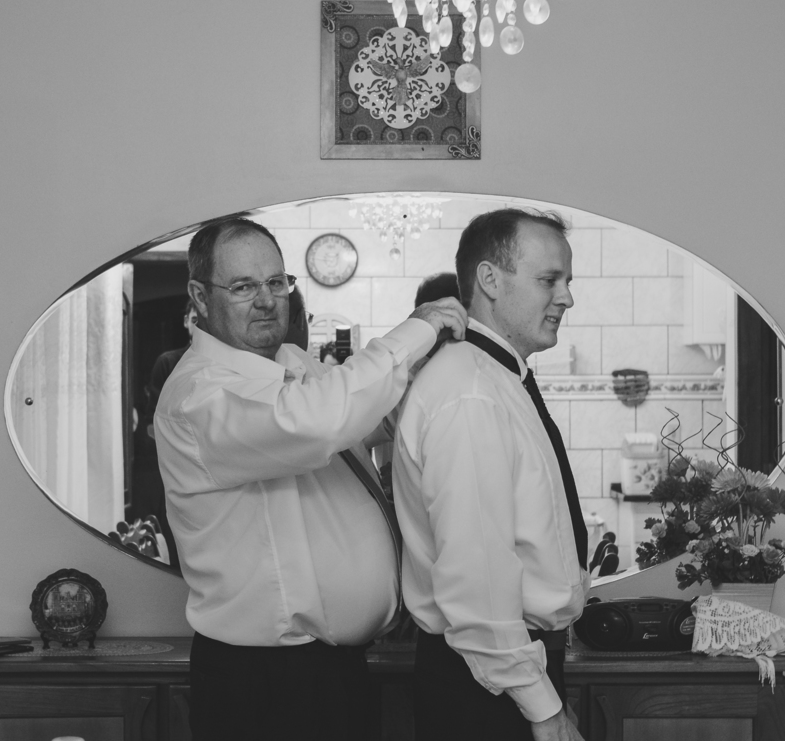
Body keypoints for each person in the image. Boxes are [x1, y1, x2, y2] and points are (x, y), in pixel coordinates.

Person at [153, 217, 467, 741]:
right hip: (263, 684)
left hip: (335, 674)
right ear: (200, 297)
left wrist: (431, 385)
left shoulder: (293, 364)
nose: (266, 301)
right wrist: (416, 331)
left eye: (276, 282)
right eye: (243, 286)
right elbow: (318, 424)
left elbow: (361, 421)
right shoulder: (198, 396)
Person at [392, 208, 591, 741]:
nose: (567, 298)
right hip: (485, 684)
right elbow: (476, 578)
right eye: (549, 280)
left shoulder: (497, 379)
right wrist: (542, 707)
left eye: (567, 281)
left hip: (509, 670)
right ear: (490, 280)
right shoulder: (471, 393)